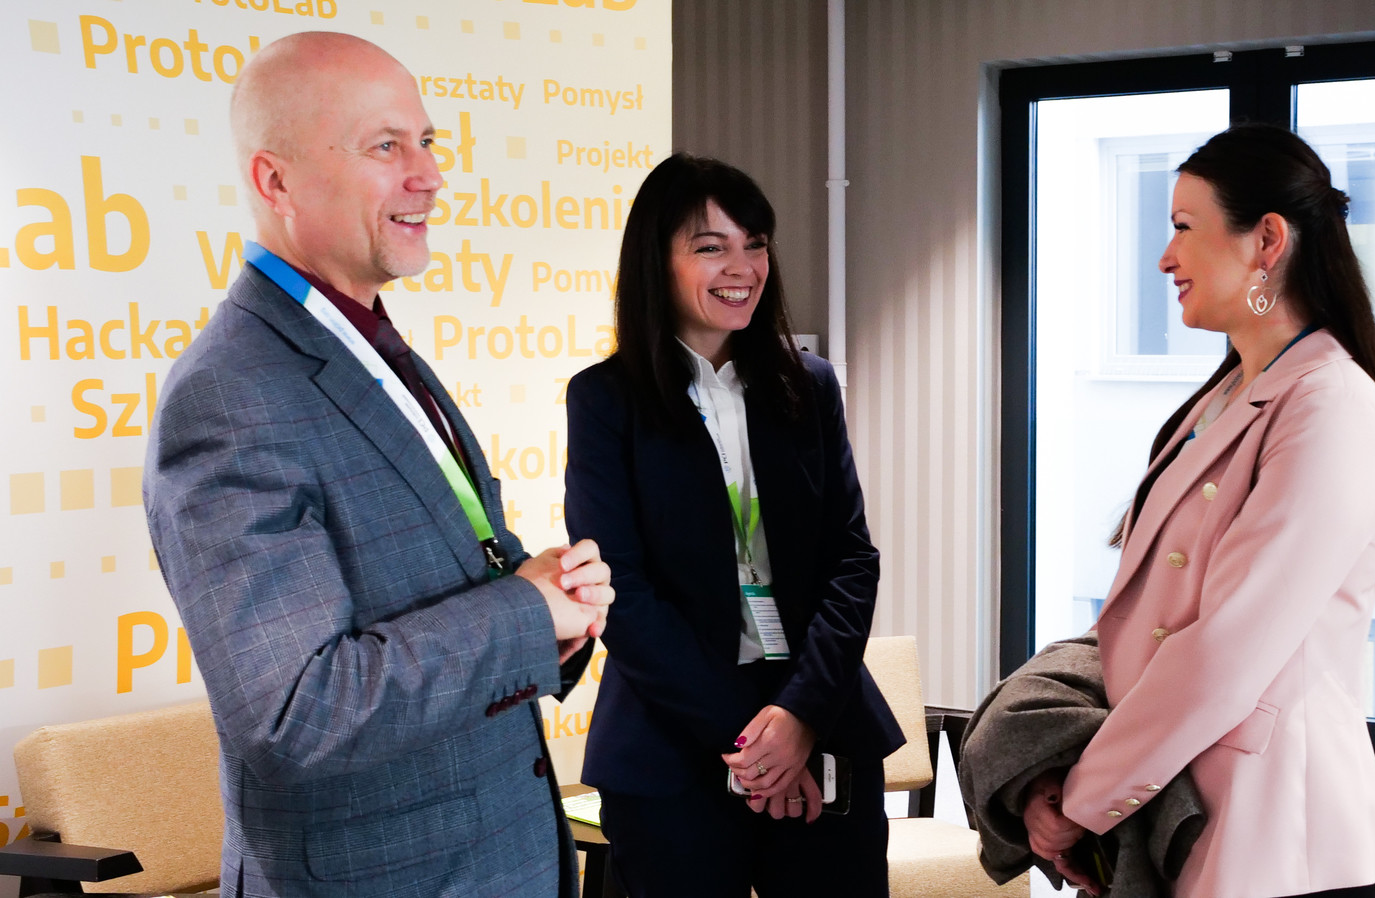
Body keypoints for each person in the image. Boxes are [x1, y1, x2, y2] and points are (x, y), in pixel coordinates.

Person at [143, 32, 612, 898]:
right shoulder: (231, 396)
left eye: (425, 141)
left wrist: (549, 608)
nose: (429, 175)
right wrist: (522, 611)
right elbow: (296, 713)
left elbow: (456, 577)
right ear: (275, 182)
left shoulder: (369, 348)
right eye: (385, 146)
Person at [1021, 124, 1375, 898]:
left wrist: (1083, 800)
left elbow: (1225, 652)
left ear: (1267, 240)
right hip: (1190, 814)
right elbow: (1153, 616)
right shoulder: (1226, 396)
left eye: (1183, 227)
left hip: (1278, 843)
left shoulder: (1330, 407)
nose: (1165, 258)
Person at [563, 153, 904, 897]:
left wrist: (800, 717)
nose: (742, 267)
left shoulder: (808, 385)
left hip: (821, 719)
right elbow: (622, 591)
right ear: (656, 261)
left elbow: (852, 559)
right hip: (674, 742)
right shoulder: (605, 401)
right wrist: (755, 743)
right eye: (710, 246)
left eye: (755, 244)